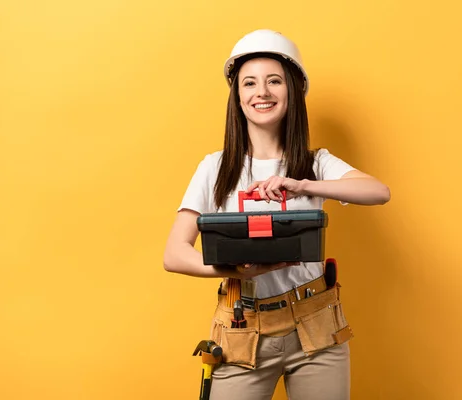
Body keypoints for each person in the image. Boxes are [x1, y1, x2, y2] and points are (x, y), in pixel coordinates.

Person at [163, 29, 391, 400]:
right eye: (249, 83)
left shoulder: (316, 163)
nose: (262, 93)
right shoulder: (215, 168)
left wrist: (304, 185)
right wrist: (233, 270)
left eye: (274, 81)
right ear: (237, 97)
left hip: (316, 325)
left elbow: (378, 192)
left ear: (294, 92)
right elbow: (174, 253)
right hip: (242, 328)